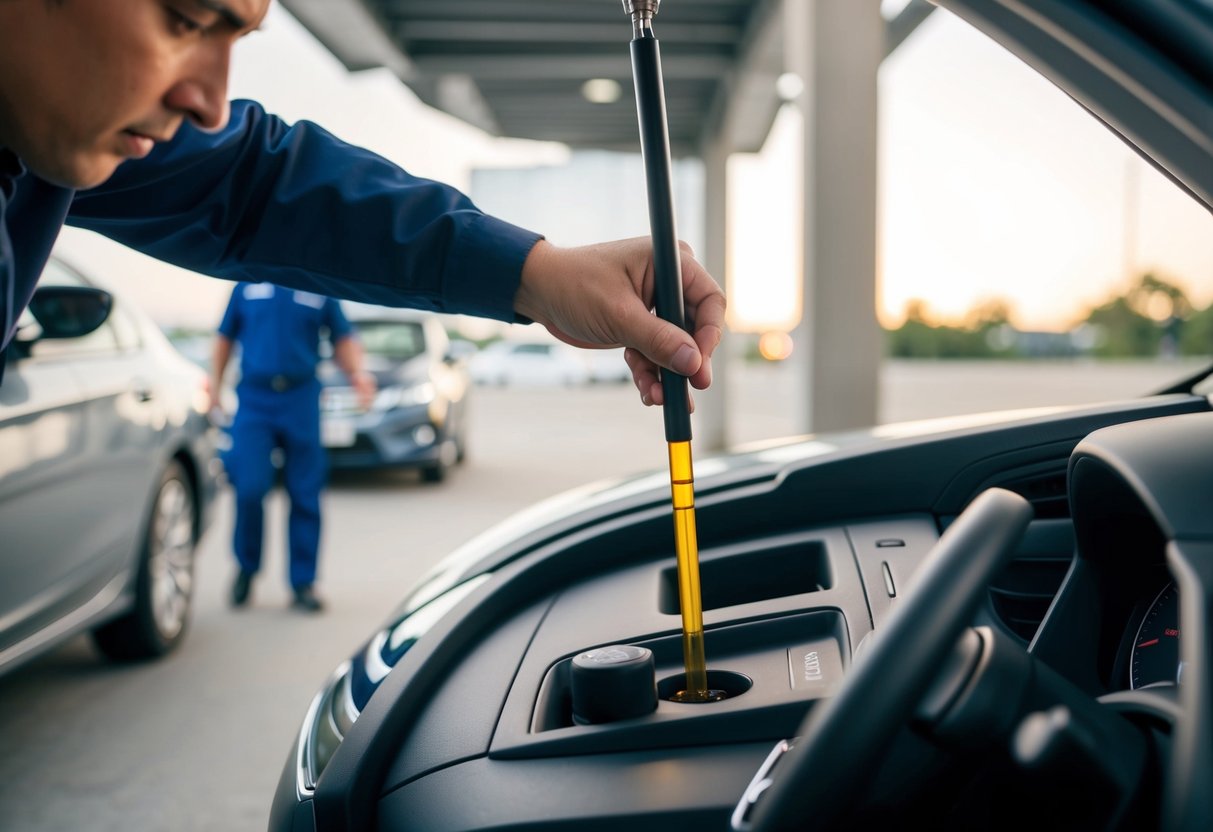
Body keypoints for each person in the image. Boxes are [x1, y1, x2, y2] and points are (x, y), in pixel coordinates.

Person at [0, 2, 723, 410]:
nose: (210, 102)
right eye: (186, 20)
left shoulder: (44, 134)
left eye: (237, 39)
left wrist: (539, 274)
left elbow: (253, 185)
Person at [210, 283, 376, 612]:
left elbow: (343, 336)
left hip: (301, 397)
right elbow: (225, 337)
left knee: (305, 491)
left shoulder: (315, 282)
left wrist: (358, 374)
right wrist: (214, 385)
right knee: (249, 487)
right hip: (254, 399)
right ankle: (246, 566)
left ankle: (303, 582)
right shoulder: (246, 282)